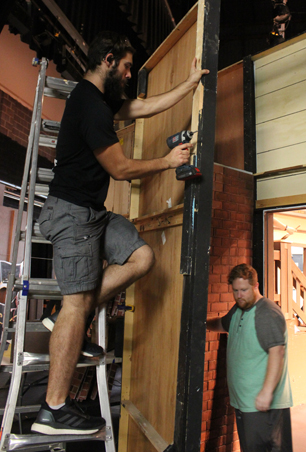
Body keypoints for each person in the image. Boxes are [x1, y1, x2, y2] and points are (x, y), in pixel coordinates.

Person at [31, 31, 209, 436]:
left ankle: (64, 314)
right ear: (109, 60)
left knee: (141, 258)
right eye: (127, 67)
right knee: (79, 306)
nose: (130, 75)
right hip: (71, 214)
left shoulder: (103, 100)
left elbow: (144, 106)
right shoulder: (89, 106)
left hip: (92, 213)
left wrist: (189, 84)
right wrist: (166, 162)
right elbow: (121, 169)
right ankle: (52, 409)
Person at [207, 263, 293, 452]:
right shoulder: (239, 309)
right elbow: (222, 324)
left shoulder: (266, 313)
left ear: (256, 286)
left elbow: (277, 351)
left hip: (263, 405)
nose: (239, 295)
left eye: (244, 290)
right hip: (245, 402)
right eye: (235, 290)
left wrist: (267, 392)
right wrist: (203, 323)